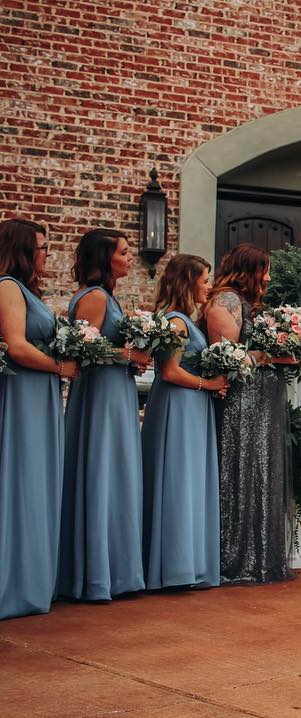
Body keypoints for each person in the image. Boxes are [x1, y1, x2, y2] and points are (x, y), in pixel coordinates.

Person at [58, 228, 152, 601]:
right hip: (99, 396)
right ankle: (95, 575)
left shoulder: (108, 296)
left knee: (117, 475)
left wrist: (132, 358)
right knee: (102, 471)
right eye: (124, 252)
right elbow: (81, 352)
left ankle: (116, 570)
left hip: (116, 391)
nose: (130, 258)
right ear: (104, 258)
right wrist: (128, 355)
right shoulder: (95, 297)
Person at [204, 243, 297, 583]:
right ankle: (234, 556)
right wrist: (271, 356)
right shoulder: (226, 301)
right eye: (264, 270)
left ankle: (259, 555)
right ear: (248, 271)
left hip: (261, 401)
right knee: (241, 467)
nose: (268, 278)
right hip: (241, 401)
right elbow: (227, 356)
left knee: (260, 469)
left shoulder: (247, 304)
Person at [0, 218, 75, 620]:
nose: (47, 254)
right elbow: (16, 346)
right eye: (42, 247)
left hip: (38, 392)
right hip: (22, 393)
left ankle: (33, 577)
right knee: (22, 479)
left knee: (38, 479)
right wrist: (60, 367)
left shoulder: (26, 291)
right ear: (23, 251)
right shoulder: (8, 288)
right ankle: (15, 583)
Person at [142, 254, 227, 590]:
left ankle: (188, 563)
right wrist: (209, 384)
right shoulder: (176, 323)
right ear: (188, 282)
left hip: (192, 406)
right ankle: (174, 568)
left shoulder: (186, 321)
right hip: (178, 407)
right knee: (177, 480)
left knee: (189, 482)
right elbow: (169, 372)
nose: (209, 286)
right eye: (204, 280)